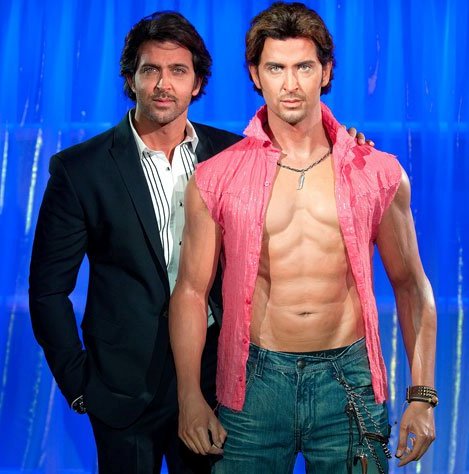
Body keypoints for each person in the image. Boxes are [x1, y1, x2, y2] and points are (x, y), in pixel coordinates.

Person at [169, 3, 437, 474]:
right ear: (255, 75)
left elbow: (411, 286)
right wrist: (189, 395)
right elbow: (190, 291)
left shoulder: (377, 173)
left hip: (348, 380)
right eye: (276, 68)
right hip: (254, 383)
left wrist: (422, 395)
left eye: (304, 67)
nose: (290, 84)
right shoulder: (216, 178)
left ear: (326, 71)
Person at [28, 11, 242, 474]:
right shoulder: (80, 169)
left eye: (178, 70)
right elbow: (47, 291)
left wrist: (347, 142)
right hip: (122, 391)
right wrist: (80, 385)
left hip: (214, 384)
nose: (164, 84)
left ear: (197, 83)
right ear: (131, 79)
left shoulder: (234, 156)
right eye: (151, 70)